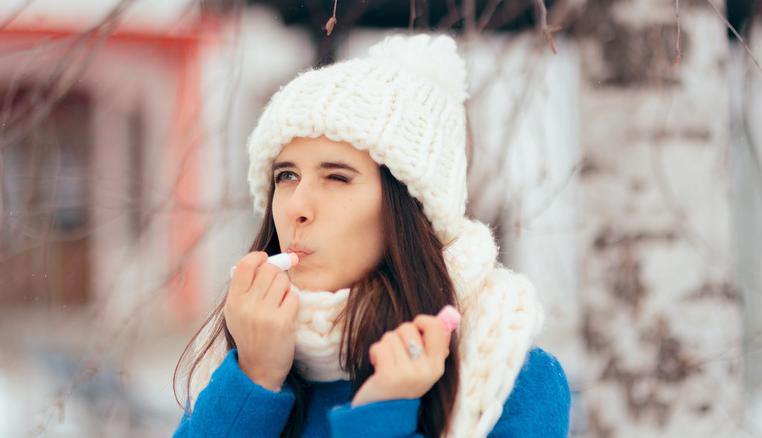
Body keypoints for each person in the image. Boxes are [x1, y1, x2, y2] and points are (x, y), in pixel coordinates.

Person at [173, 33, 570, 438]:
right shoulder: (246, 357)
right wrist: (254, 380)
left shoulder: (514, 380)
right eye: (286, 175)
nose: (296, 207)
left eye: (336, 177)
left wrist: (381, 415)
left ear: (409, 208)